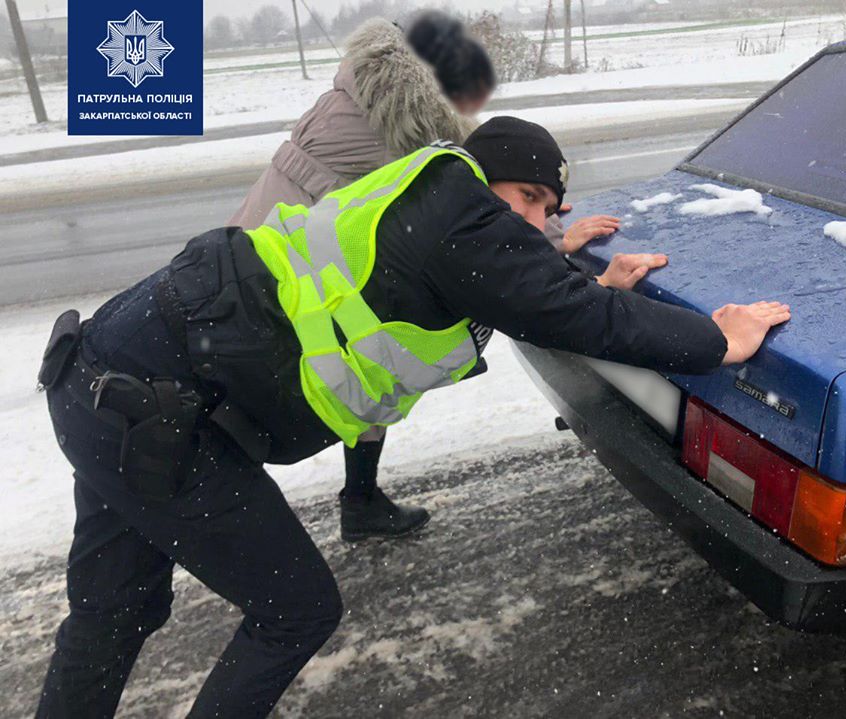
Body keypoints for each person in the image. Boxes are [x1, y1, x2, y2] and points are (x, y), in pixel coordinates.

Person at [34, 116, 789, 718]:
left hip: (103, 374)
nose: (535, 218)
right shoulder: (461, 215)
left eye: (549, 209)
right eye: (529, 196)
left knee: (112, 613)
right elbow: (565, 313)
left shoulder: (428, 194)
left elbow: (503, 288)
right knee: (296, 610)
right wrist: (717, 341)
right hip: (157, 415)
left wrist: (569, 264)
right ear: (486, 174)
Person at [231, 11, 620, 542]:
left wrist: (539, 207)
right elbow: (469, 202)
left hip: (262, 247)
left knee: (356, 366)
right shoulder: (402, 117)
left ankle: (354, 502)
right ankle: (279, 531)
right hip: (284, 275)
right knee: (295, 389)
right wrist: (551, 236)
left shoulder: (356, 91)